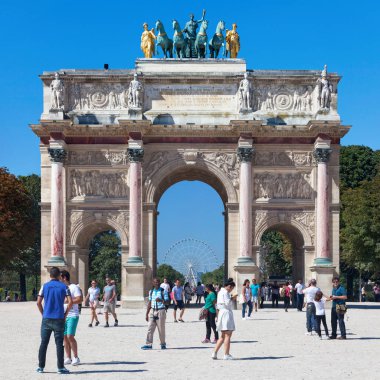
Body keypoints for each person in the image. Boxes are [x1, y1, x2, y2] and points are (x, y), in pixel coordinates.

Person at [36, 267, 73, 374]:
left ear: (50, 275)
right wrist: (65, 314)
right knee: (59, 344)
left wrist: (43, 314)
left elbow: (38, 302)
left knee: (43, 343)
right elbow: (70, 302)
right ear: (58, 275)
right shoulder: (64, 286)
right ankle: (60, 367)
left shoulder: (45, 286)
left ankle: (41, 367)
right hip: (59, 318)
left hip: (47, 318)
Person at [60, 270, 82, 366]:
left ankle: (76, 357)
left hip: (72, 315)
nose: (58, 279)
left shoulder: (74, 287)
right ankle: (68, 357)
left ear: (64, 277)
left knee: (70, 336)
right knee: (64, 337)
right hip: (62, 315)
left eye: (59, 277)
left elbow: (80, 299)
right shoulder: (61, 288)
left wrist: (68, 300)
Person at [212, 278, 237, 360]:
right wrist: (233, 297)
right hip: (226, 313)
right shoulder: (226, 292)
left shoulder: (219, 292)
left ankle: (214, 353)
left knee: (222, 336)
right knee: (228, 335)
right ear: (229, 286)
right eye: (232, 288)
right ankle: (226, 354)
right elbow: (228, 303)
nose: (231, 290)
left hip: (221, 313)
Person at [141, 278, 169, 350]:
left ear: (159, 283)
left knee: (161, 329)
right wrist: (146, 313)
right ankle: (149, 344)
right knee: (150, 328)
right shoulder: (151, 292)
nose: (156, 283)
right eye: (155, 282)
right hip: (152, 311)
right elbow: (150, 303)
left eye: (158, 282)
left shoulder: (163, 291)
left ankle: (163, 344)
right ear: (152, 283)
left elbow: (167, 302)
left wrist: (161, 300)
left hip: (161, 311)